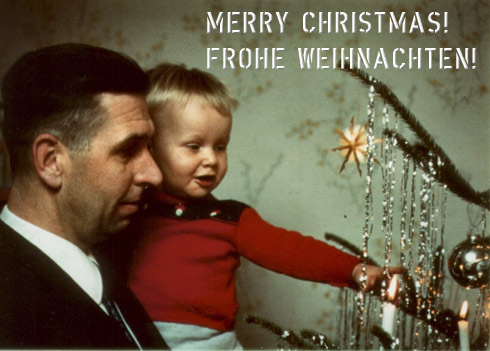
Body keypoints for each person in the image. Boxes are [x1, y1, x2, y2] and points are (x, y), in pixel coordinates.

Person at [118, 63, 401, 350]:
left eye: (220, 146)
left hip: (213, 344)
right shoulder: (131, 207)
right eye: (194, 146)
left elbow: (292, 251)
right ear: (150, 146)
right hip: (137, 338)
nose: (211, 160)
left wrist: (351, 268)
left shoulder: (230, 218)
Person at [0, 43, 169, 349]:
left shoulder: (105, 267)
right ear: (52, 161)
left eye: (150, 148)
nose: (154, 174)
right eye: (128, 150)